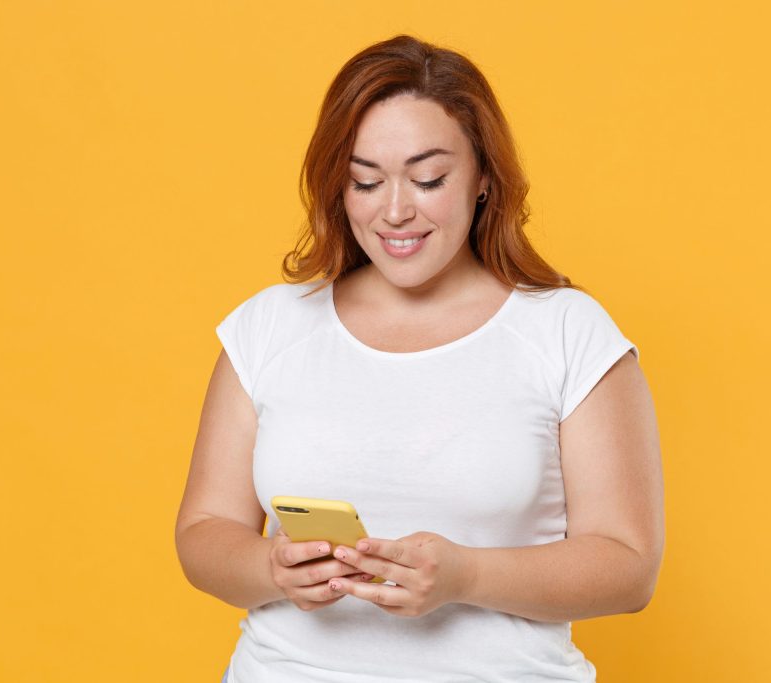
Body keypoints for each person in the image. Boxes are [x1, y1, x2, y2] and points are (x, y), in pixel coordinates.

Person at [175, 34, 664, 683]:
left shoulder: (567, 332)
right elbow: (204, 530)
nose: (396, 210)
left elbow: (629, 566)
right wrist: (269, 568)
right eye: (366, 181)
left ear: (484, 176)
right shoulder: (270, 327)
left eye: (429, 178)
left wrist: (467, 575)